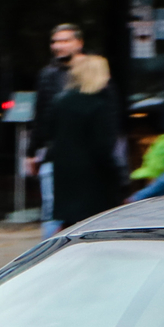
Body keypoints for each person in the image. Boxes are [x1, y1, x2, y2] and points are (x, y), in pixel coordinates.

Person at [45, 53, 125, 228]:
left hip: (66, 176)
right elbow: (102, 148)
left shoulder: (61, 101)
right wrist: (118, 177)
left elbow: (50, 133)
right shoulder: (100, 104)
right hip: (95, 181)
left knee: (69, 227)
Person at [31, 21, 81, 235]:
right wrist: (31, 152)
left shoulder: (91, 71)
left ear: (78, 43)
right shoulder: (47, 74)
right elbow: (40, 115)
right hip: (55, 152)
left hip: (82, 153)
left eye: (65, 41)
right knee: (52, 210)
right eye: (55, 42)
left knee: (81, 213)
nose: (59, 46)